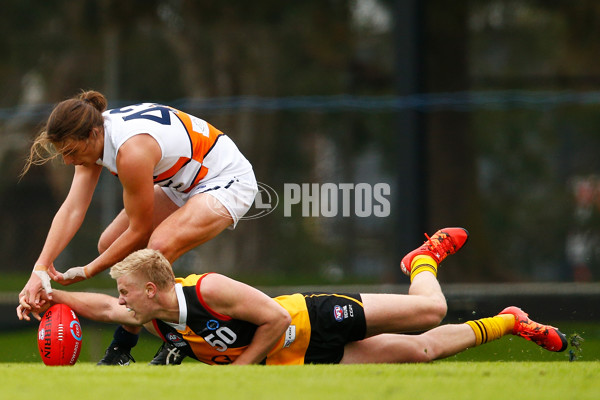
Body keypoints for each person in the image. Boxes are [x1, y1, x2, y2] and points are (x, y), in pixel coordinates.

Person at [17, 228, 568, 365]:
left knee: (431, 311)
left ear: (154, 289)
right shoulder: (154, 316)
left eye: (126, 290)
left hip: (313, 317)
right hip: (302, 357)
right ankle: (510, 321)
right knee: (420, 352)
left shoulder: (210, 290)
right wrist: (52, 300)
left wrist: (243, 372)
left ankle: (420, 261)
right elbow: (103, 308)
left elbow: (276, 317)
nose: (121, 301)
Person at [17, 90, 258, 365]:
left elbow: (139, 231)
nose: (68, 161)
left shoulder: (130, 151)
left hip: (227, 178)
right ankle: (136, 344)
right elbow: (73, 208)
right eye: (63, 154)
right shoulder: (92, 133)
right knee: (110, 246)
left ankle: (160, 342)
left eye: (71, 152)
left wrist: (87, 271)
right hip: (183, 182)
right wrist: (40, 269)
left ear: (94, 134)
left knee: (157, 249)